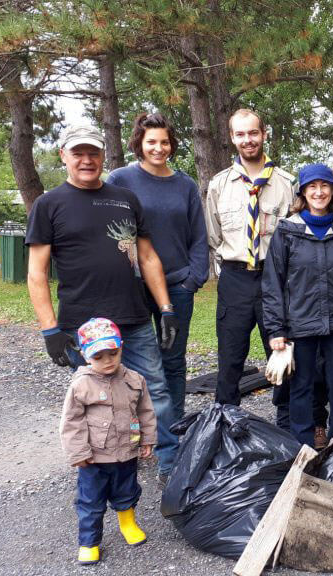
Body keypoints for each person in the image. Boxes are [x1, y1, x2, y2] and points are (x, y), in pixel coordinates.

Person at [26, 123, 180, 483]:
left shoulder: (125, 199)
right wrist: (50, 330)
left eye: (93, 152)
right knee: (95, 401)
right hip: (83, 325)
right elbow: (36, 273)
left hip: (133, 317)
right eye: (78, 153)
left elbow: (148, 257)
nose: (86, 160)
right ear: (63, 156)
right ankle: (103, 473)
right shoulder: (48, 205)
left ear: (103, 155)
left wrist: (166, 308)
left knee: (155, 390)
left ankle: (171, 465)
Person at [106, 112, 208, 437]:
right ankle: (138, 426)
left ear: (171, 144)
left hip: (177, 285)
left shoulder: (185, 185)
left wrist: (193, 279)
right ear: (140, 143)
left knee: (173, 360)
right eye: (152, 141)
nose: (158, 148)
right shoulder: (120, 179)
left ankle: (172, 428)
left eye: (164, 142)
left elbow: (199, 235)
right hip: (133, 286)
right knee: (135, 360)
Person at [262, 163, 333, 447]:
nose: (319, 192)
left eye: (324, 186)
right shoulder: (287, 230)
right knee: (301, 387)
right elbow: (273, 283)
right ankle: (303, 447)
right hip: (300, 323)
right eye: (312, 187)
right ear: (303, 192)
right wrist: (276, 329)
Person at [205, 109, 294, 406]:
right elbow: (214, 235)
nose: (248, 140)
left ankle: (286, 424)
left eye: (253, 132)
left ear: (264, 134)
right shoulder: (219, 185)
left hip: (274, 278)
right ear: (232, 138)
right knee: (230, 358)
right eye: (240, 134)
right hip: (235, 278)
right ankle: (225, 421)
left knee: (282, 355)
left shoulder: (286, 184)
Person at [59, 318, 156, 566]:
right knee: (91, 500)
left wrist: (146, 439)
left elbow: (145, 411)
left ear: (121, 347)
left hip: (127, 451)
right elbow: (71, 421)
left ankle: (128, 523)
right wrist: (78, 452)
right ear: (84, 355)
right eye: (98, 356)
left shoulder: (134, 379)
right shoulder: (81, 384)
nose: (108, 361)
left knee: (127, 490)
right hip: (94, 458)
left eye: (113, 353)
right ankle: (89, 541)